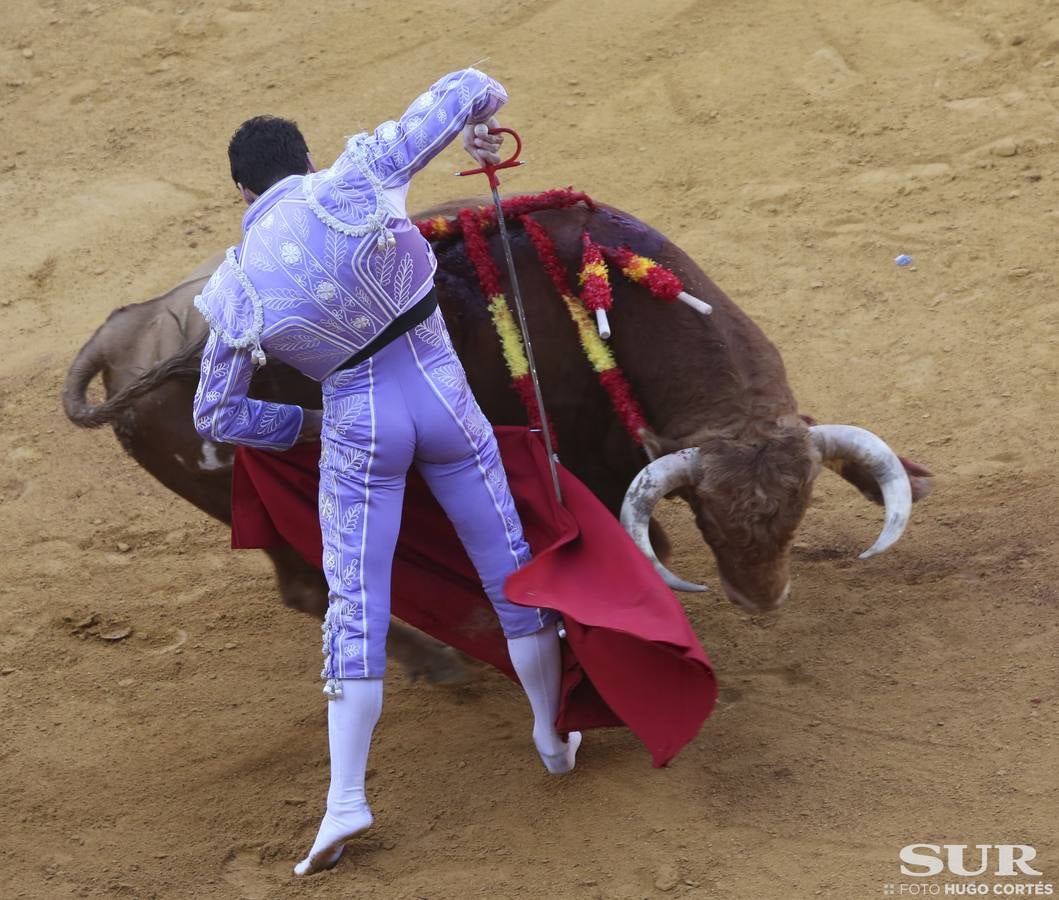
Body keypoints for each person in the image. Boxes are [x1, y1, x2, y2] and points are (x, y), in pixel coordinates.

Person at [191, 68, 580, 876]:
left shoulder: (236, 288)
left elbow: (215, 417)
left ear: (240, 190)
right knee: (507, 566)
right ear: (301, 159)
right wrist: (483, 122)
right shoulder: (356, 175)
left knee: (357, 609)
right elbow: (474, 82)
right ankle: (549, 732)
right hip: (444, 398)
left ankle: (343, 801)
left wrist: (310, 425)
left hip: (359, 424)